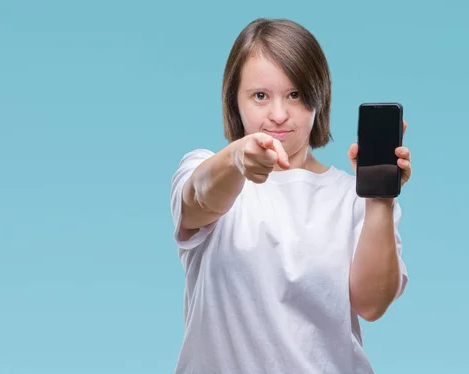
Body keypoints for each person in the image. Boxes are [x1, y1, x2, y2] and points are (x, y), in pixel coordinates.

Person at [169, 18, 412, 374]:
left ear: (319, 97)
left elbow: (371, 304)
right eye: (260, 96)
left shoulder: (352, 197)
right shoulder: (205, 167)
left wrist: (379, 201)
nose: (279, 115)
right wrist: (237, 158)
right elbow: (199, 199)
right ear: (234, 100)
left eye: (295, 94)